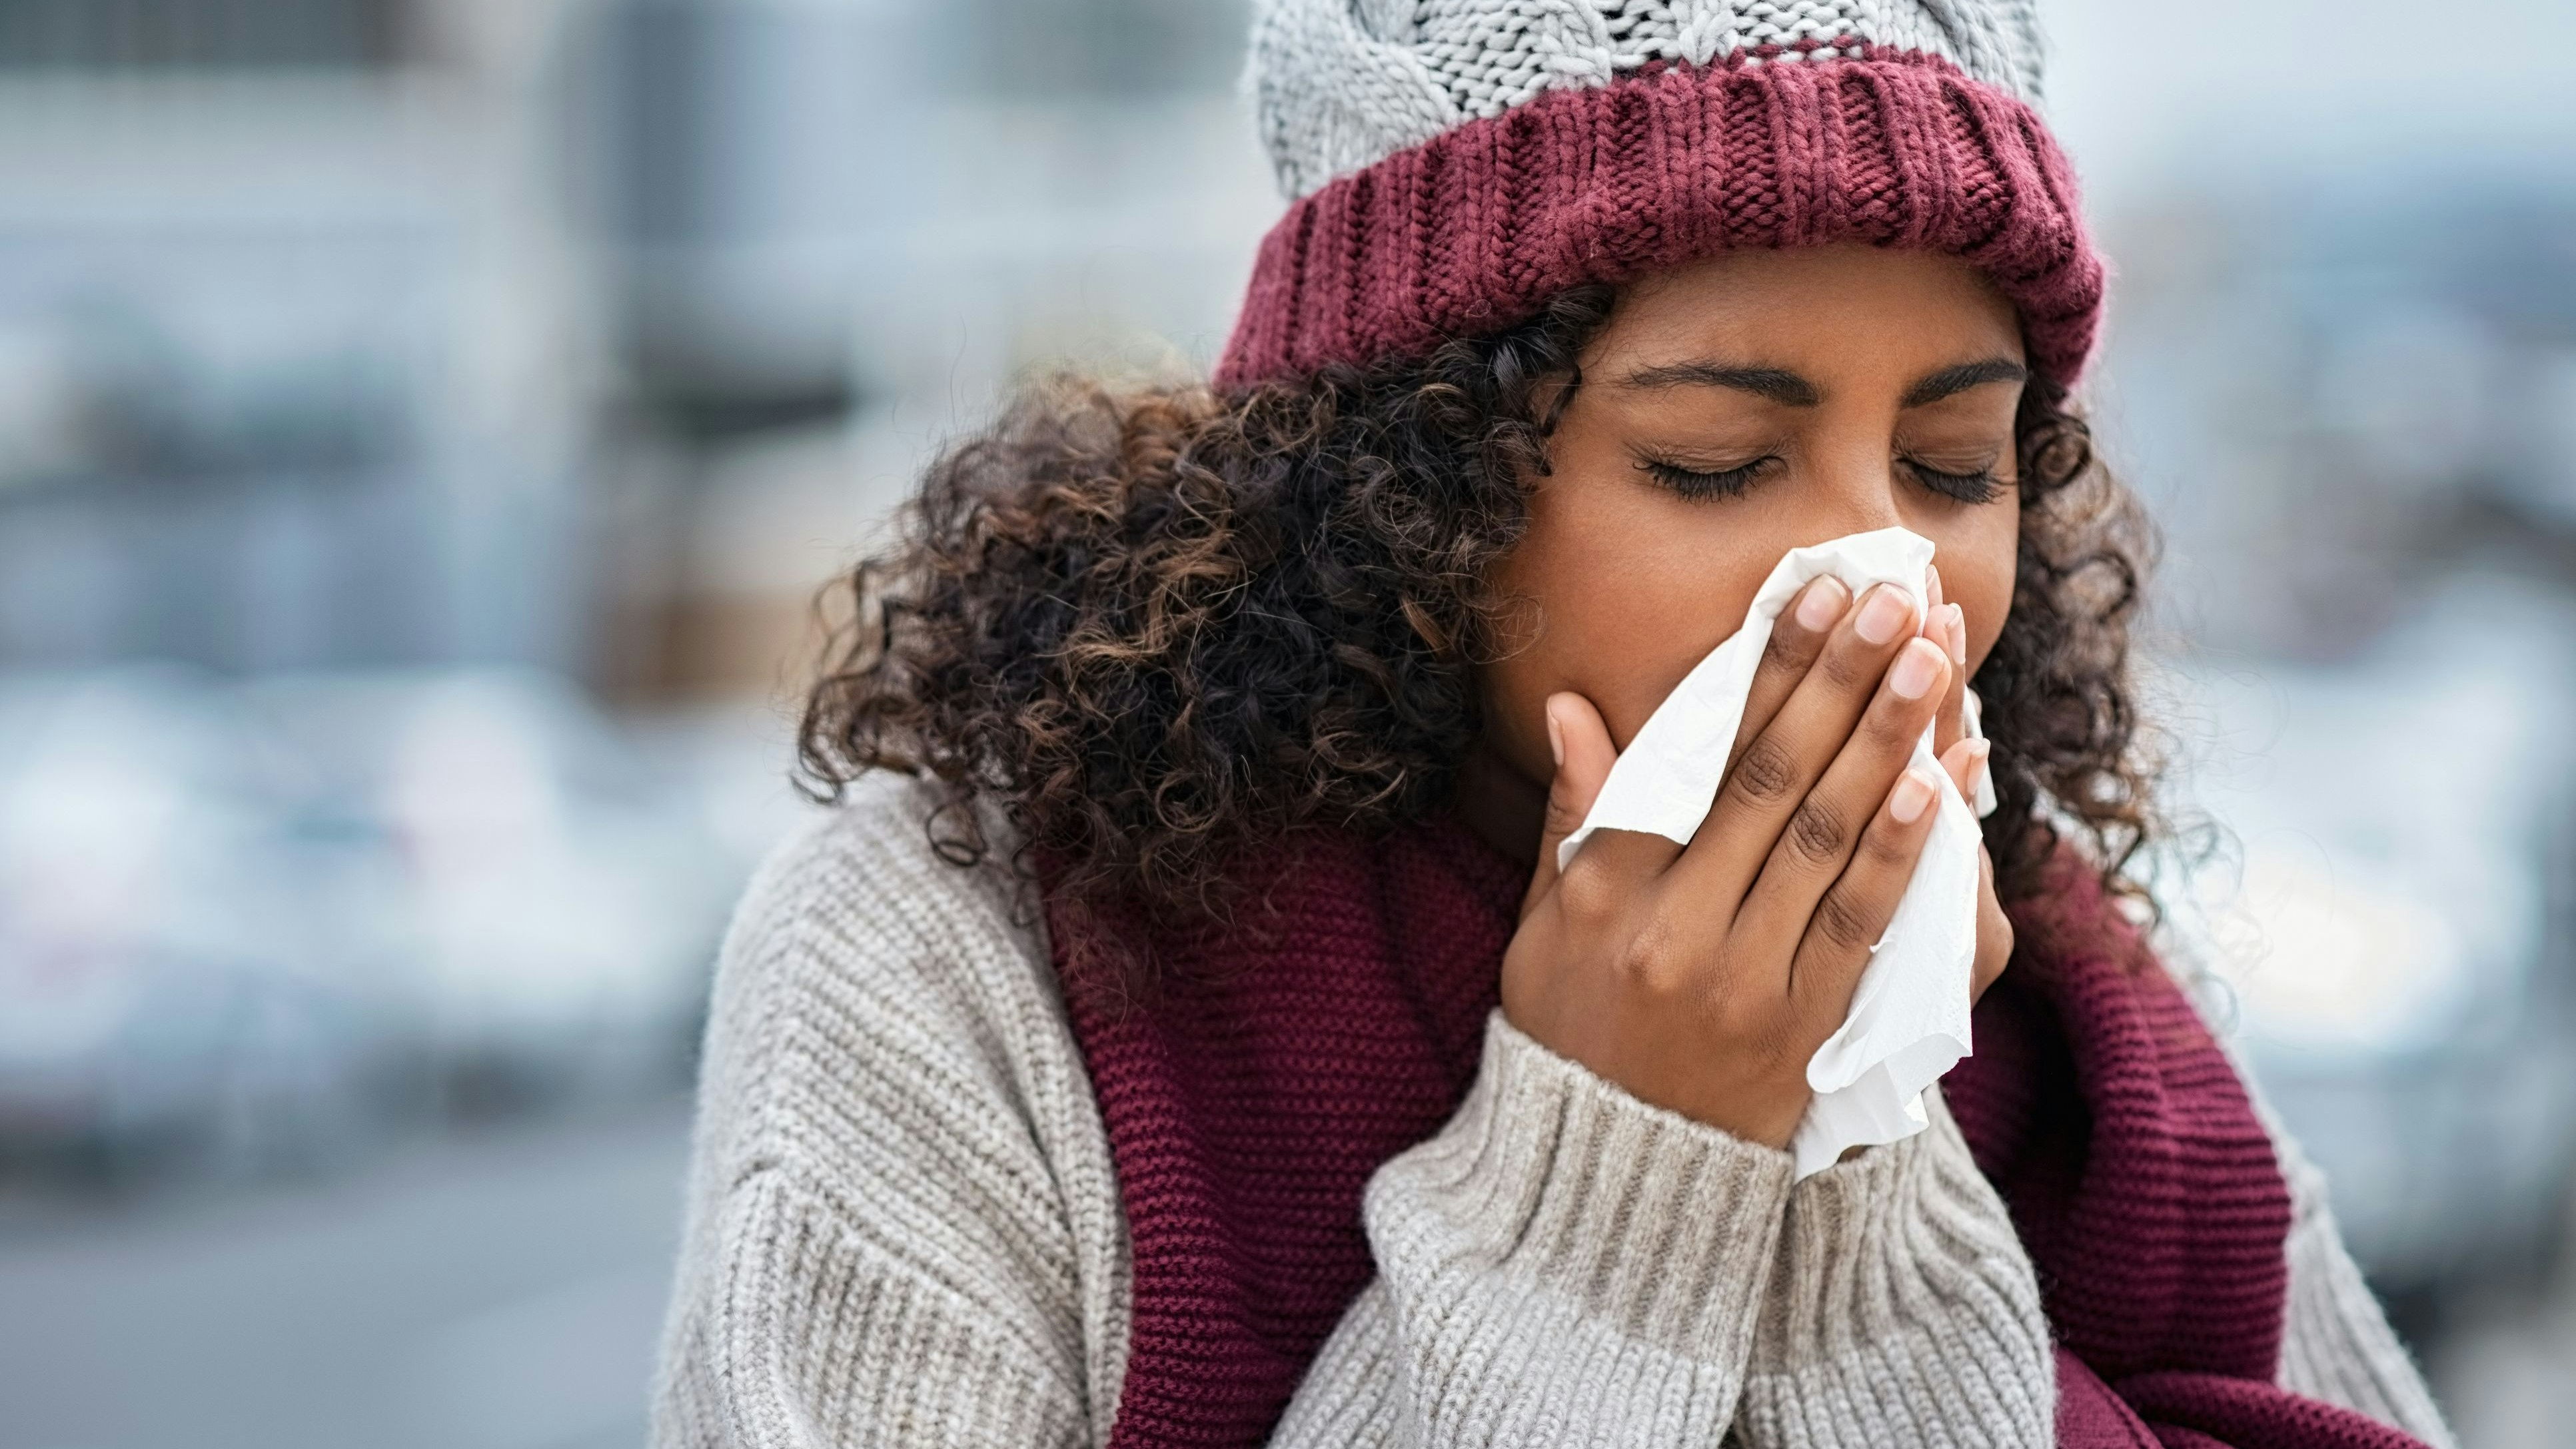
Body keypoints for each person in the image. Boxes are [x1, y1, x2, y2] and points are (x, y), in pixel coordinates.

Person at [651, 5, 2459, 1446]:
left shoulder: (2062, 1005)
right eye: (1712, 463)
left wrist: (1851, 1139)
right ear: (1412, 492)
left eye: (1949, 466)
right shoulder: (963, 955)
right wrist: (1619, 1176)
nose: (1877, 581)